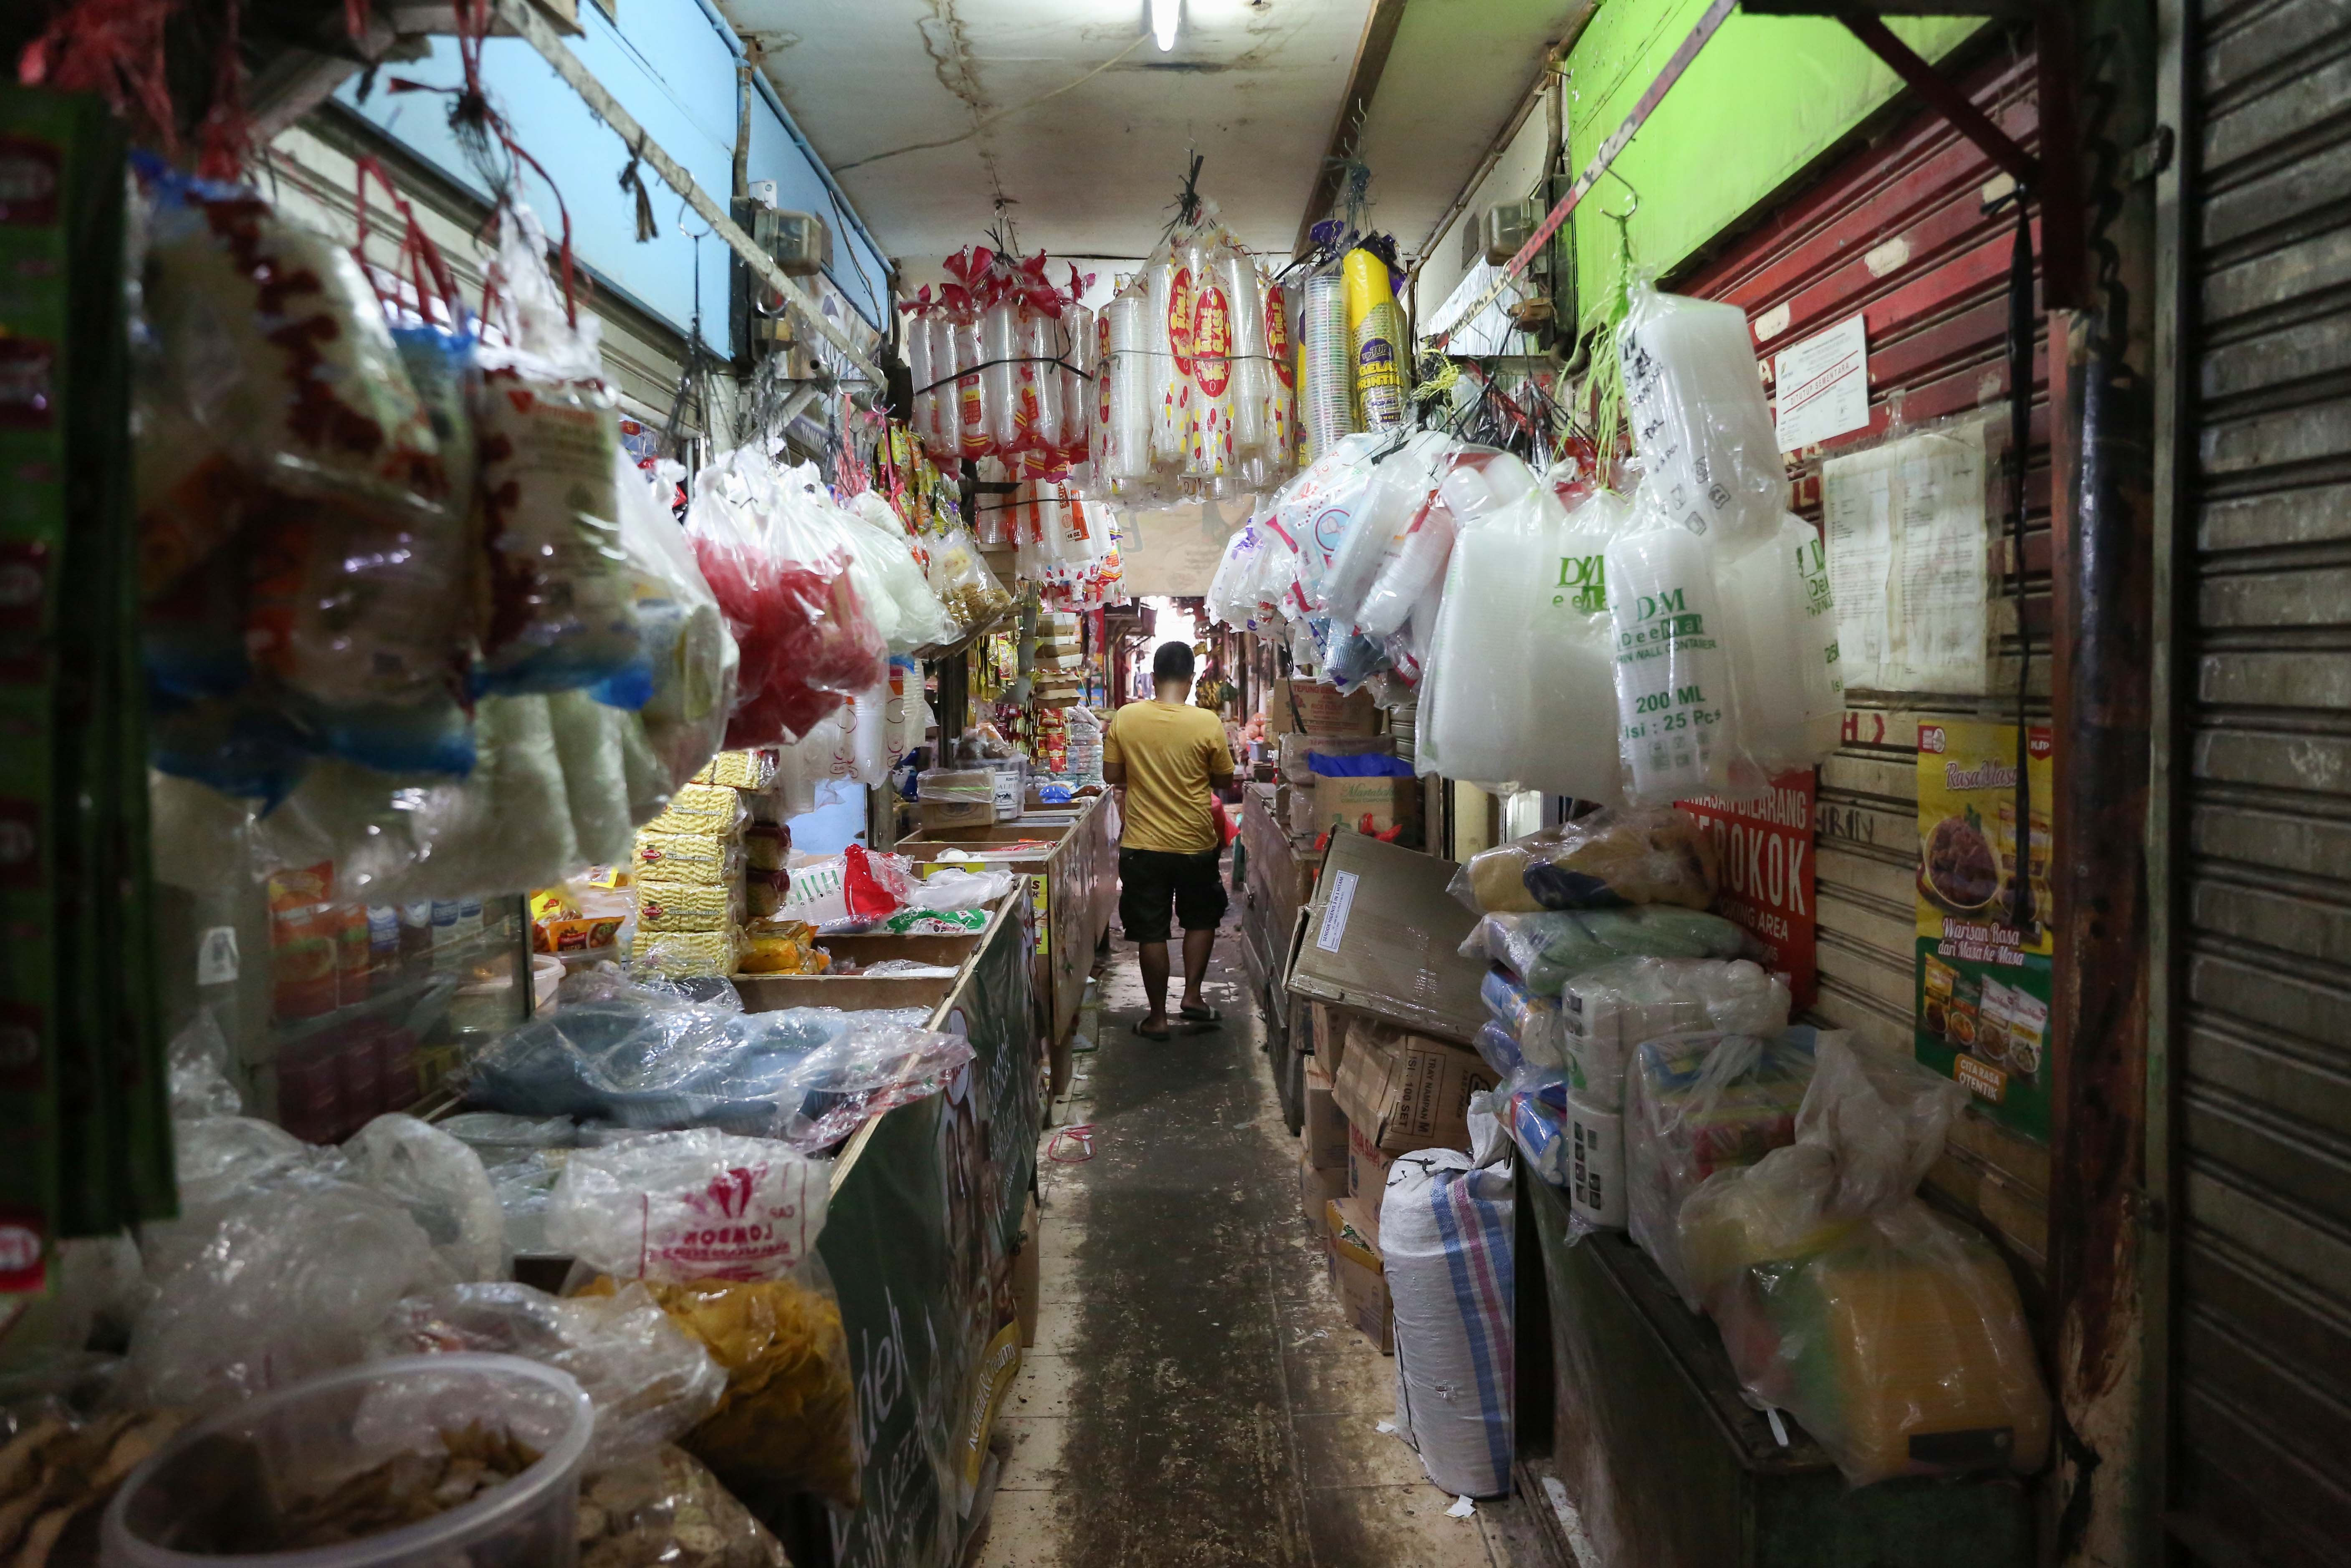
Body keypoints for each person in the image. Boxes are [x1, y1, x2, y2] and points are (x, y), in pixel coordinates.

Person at [1102, 640, 1234, 1040]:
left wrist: (1145, 772)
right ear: (1191, 680)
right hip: (1195, 842)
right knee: (1201, 919)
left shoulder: (1127, 717)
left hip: (1143, 846)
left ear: (1154, 677)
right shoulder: (1207, 723)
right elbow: (1224, 779)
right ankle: (1192, 997)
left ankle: (1157, 1018)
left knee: (1151, 931)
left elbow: (1112, 775)